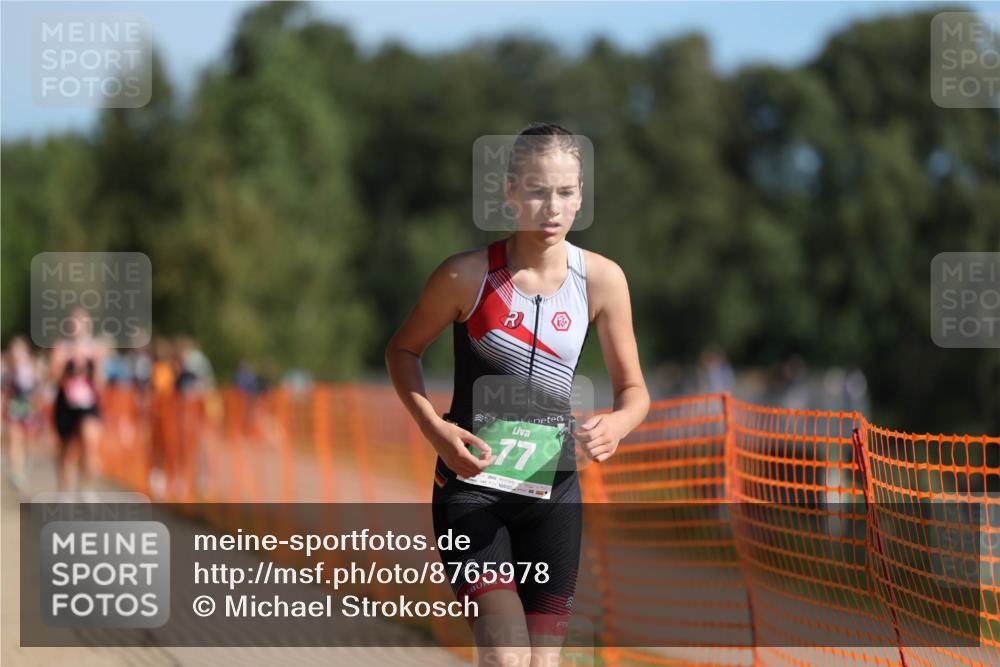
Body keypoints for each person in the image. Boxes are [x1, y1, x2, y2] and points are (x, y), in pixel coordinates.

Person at [386, 122, 649, 666]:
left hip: (554, 498)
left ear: (581, 195)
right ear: (508, 191)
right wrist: (435, 428)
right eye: (536, 189)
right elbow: (401, 352)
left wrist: (618, 426)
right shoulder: (465, 277)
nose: (552, 207)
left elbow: (634, 390)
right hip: (472, 490)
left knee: (543, 663)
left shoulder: (601, 280)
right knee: (506, 657)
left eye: (566, 192)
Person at [49, 307, 106, 492]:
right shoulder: (61, 347)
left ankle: (86, 488)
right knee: (65, 451)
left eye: (81, 322)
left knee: (90, 443)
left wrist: (92, 365)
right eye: (74, 322)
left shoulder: (96, 349)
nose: (77, 326)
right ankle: (65, 491)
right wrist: (68, 367)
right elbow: (53, 378)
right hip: (66, 404)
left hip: (88, 404)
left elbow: (101, 382)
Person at [2, 336, 41, 490]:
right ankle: (15, 471)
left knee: (27, 440)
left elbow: (37, 387)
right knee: (13, 438)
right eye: (14, 350)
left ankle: (25, 462)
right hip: (13, 406)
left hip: (28, 407)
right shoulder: (7, 368)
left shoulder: (32, 366)